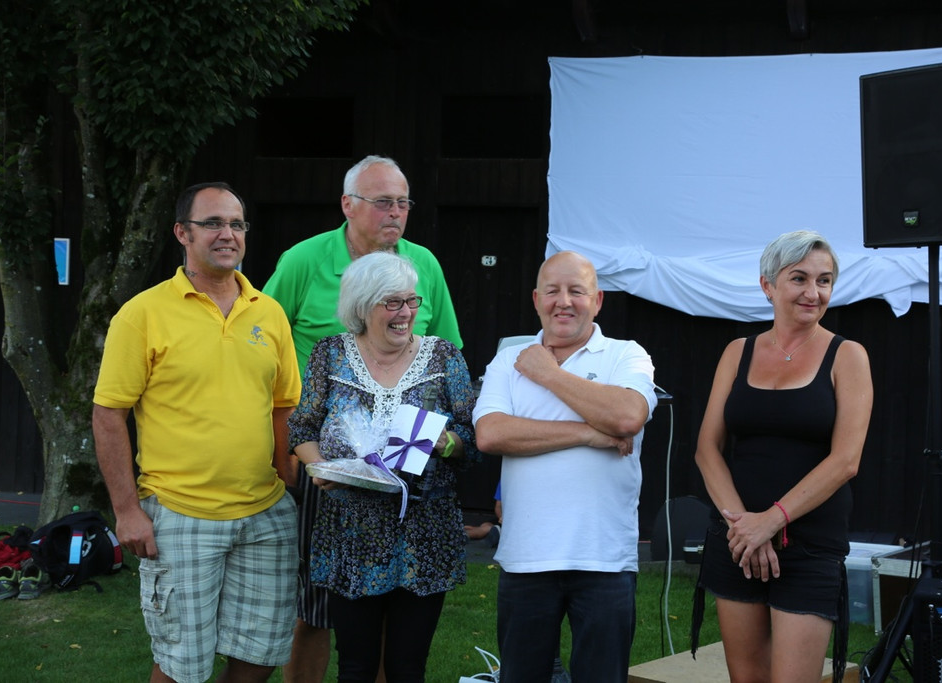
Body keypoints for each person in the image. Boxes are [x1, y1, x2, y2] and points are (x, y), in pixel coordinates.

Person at [263, 154, 463, 683]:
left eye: (403, 202)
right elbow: (261, 342)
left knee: (399, 615)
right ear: (348, 205)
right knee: (315, 607)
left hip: (412, 475)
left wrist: (442, 439)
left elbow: (449, 355)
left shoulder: (424, 264)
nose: (395, 213)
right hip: (326, 469)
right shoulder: (304, 261)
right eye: (383, 202)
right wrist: (297, 455)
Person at [92, 182, 302, 683]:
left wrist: (288, 480)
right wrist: (127, 510)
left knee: (261, 656)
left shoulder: (268, 311)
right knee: (180, 665)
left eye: (236, 224)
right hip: (180, 513)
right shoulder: (142, 314)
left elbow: (284, 407)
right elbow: (108, 414)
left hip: (264, 514)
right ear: (182, 233)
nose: (227, 234)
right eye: (212, 223)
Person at [691, 230, 873, 683]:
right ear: (767, 285)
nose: (814, 292)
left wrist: (770, 522)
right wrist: (743, 527)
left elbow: (846, 460)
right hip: (737, 541)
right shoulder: (738, 352)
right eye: (799, 278)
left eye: (824, 281)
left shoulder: (847, 356)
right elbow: (707, 449)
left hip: (808, 544)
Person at [288, 251, 478, 683]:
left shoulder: (443, 357)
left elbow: (474, 437)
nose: (406, 312)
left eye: (411, 301)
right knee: (355, 666)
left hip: (425, 537)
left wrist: (447, 443)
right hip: (350, 532)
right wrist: (321, 469)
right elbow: (301, 428)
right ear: (362, 306)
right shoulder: (330, 354)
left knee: (407, 668)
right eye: (392, 302)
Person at [473, 250, 657, 683]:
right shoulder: (508, 361)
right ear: (536, 299)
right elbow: (492, 434)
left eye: (577, 291)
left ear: (598, 301)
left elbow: (627, 416)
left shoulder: (625, 355)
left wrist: (548, 373)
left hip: (604, 559)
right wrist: (589, 433)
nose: (564, 301)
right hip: (526, 557)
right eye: (553, 291)